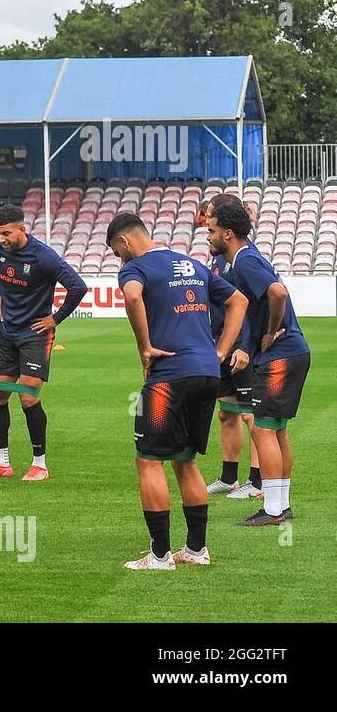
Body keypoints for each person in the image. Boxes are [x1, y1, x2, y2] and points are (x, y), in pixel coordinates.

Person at [108, 212, 248, 570]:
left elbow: (133, 296)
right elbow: (239, 302)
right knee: (185, 460)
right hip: (206, 373)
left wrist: (144, 346)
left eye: (115, 250)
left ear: (125, 242)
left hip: (169, 375)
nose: (117, 258)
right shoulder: (193, 264)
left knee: (148, 459)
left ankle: (158, 556)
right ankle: (196, 550)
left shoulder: (134, 268)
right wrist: (219, 351)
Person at [207, 200, 310, 526]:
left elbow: (277, 293)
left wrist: (269, 333)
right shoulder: (245, 258)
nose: (208, 236)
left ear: (227, 233)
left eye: (211, 230)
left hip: (282, 355)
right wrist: (250, 346)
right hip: (288, 353)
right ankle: (281, 506)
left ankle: (275, 510)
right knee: (276, 431)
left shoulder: (245, 260)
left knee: (264, 429)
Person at [0, 204, 87, 482]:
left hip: (35, 334)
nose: (2, 239)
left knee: (26, 395)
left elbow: (78, 286)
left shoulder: (43, 256)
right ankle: (1, 463)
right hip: (6, 332)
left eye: (7, 233)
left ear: (22, 229)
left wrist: (55, 318)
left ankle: (40, 465)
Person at [199, 196, 260, 500]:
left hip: (240, 348)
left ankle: (258, 482)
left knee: (251, 416)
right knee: (227, 413)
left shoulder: (244, 258)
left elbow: (251, 304)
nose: (206, 223)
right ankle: (229, 477)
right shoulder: (219, 256)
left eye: (211, 217)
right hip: (222, 342)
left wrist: (245, 345)